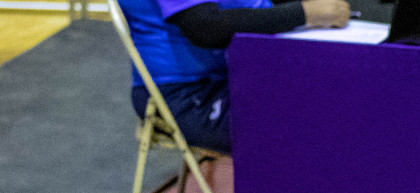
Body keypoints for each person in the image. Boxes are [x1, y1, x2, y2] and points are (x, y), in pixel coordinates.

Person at [118, 0, 350, 152]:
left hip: (231, 74)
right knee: (311, 122)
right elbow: (205, 27)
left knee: (340, 94)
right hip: (183, 95)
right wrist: (304, 13)